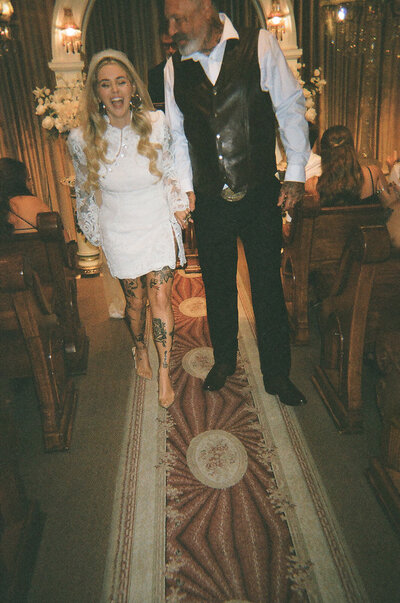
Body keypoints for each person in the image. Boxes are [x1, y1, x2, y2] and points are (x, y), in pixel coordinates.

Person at [164, 0, 310, 406]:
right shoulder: (174, 68)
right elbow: (177, 136)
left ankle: (278, 374)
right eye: (169, 20)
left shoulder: (259, 44)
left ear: (207, 9)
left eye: (180, 17)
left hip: (260, 190)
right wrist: (185, 189)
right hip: (210, 198)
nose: (174, 27)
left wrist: (296, 171)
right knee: (217, 285)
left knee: (266, 284)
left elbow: (289, 106)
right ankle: (225, 359)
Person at [67, 49, 191, 408]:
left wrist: (179, 206)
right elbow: (85, 193)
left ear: (132, 86)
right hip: (119, 227)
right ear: (96, 93)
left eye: (121, 81)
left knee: (161, 299)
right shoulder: (81, 139)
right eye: (105, 85)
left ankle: (165, 372)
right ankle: (140, 348)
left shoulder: (156, 123)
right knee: (135, 303)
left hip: (156, 221)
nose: (115, 91)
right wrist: (95, 232)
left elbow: (169, 172)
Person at [305, 125, 400, 248]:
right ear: (352, 149)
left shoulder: (312, 184)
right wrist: (393, 168)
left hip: (329, 252)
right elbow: (389, 206)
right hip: (367, 252)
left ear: (324, 153)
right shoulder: (373, 174)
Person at [0, 157, 50, 238]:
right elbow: (63, 239)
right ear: (18, 182)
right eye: (28, 179)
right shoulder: (33, 203)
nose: (32, 184)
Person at [147, 23, 177, 108]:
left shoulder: (193, 68)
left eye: (174, 45)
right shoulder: (154, 74)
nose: (170, 50)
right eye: (166, 46)